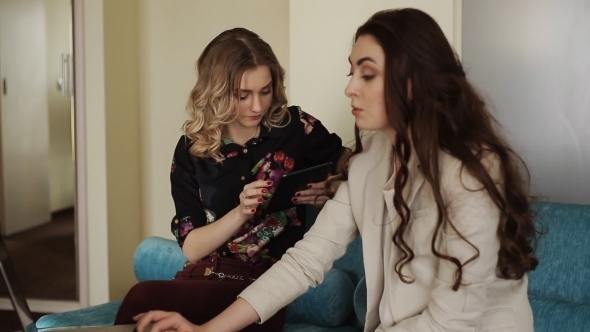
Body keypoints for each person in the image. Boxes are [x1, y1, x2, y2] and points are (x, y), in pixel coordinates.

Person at [133, 8, 539, 332]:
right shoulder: (368, 163)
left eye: (367, 74)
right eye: (352, 72)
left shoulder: (472, 173)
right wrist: (207, 331)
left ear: (413, 82)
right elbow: (305, 262)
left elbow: (452, 318)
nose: (349, 87)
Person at [113, 27, 346, 331]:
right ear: (218, 92)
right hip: (202, 274)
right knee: (146, 306)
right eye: (243, 95)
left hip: (265, 287)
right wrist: (240, 213)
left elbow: (359, 169)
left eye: (266, 90)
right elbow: (192, 248)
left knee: (144, 297)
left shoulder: (296, 129)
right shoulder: (191, 150)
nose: (258, 106)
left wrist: (332, 188)